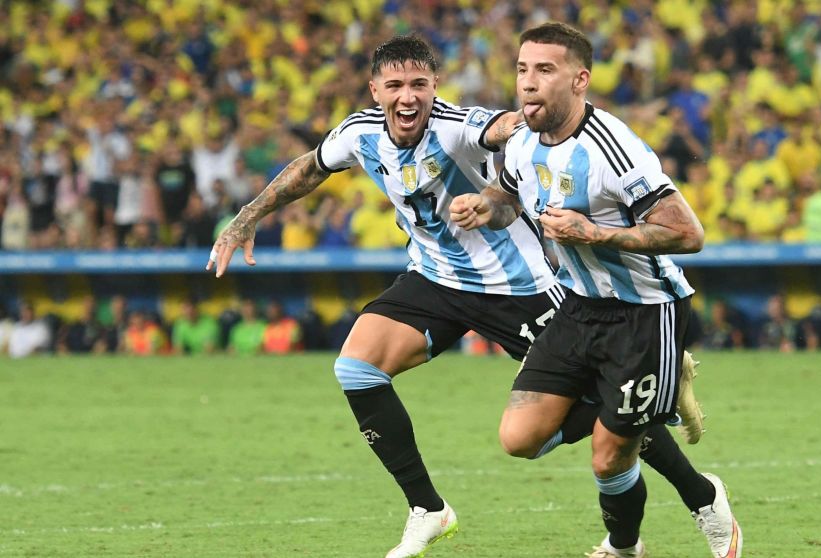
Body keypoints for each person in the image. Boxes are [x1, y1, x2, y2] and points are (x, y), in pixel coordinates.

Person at [209, 34, 707, 558]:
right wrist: (246, 218)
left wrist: (531, 115)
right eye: (395, 86)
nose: (407, 97)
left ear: (435, 87)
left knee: (603, 404)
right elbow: (311, 166)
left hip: (517, 285)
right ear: (375, 90)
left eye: (419, 85)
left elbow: (502, 126)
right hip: (435, 279)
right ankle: (428, 509)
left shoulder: (456, 126)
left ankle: (692, 479)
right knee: (356, 369)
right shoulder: (359, 133)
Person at [450, 23, 741, 558]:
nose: (528, 82)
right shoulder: (521, 140)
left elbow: (687, 233)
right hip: (578, 305)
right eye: (522, 69)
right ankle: (658, 399)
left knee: (610, 456)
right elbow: (508, 195)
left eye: (545, 70)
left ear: (579, 80)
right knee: (519, 439)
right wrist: (484, 207)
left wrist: (596, 232)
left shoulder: (613, 148)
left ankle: (642, 537)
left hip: (644, 312)